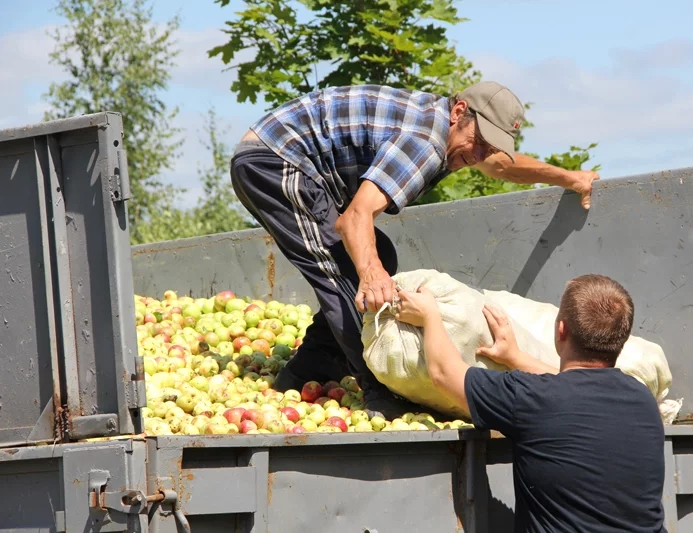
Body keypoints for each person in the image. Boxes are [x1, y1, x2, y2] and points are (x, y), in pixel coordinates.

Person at [229, 80, 600, 418]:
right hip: (276, 159)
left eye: (490, 146)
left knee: (379, 255)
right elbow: (355, 217)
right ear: (459, 112)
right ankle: (377, 389)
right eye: (479, 140)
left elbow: (502, 166)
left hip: (285, 158)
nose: (480, 154)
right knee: (345, 274)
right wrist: (371, 275)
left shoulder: (450, 132)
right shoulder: (425, 143)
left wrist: (570, 177)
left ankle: (311, 366)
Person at [394, 274, 666, 533]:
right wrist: (515, 357)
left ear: (561, 331)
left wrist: (430, 315)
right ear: (620, 340)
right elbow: (575, 385)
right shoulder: (643, 400)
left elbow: (444, 373)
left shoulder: (531, 398)